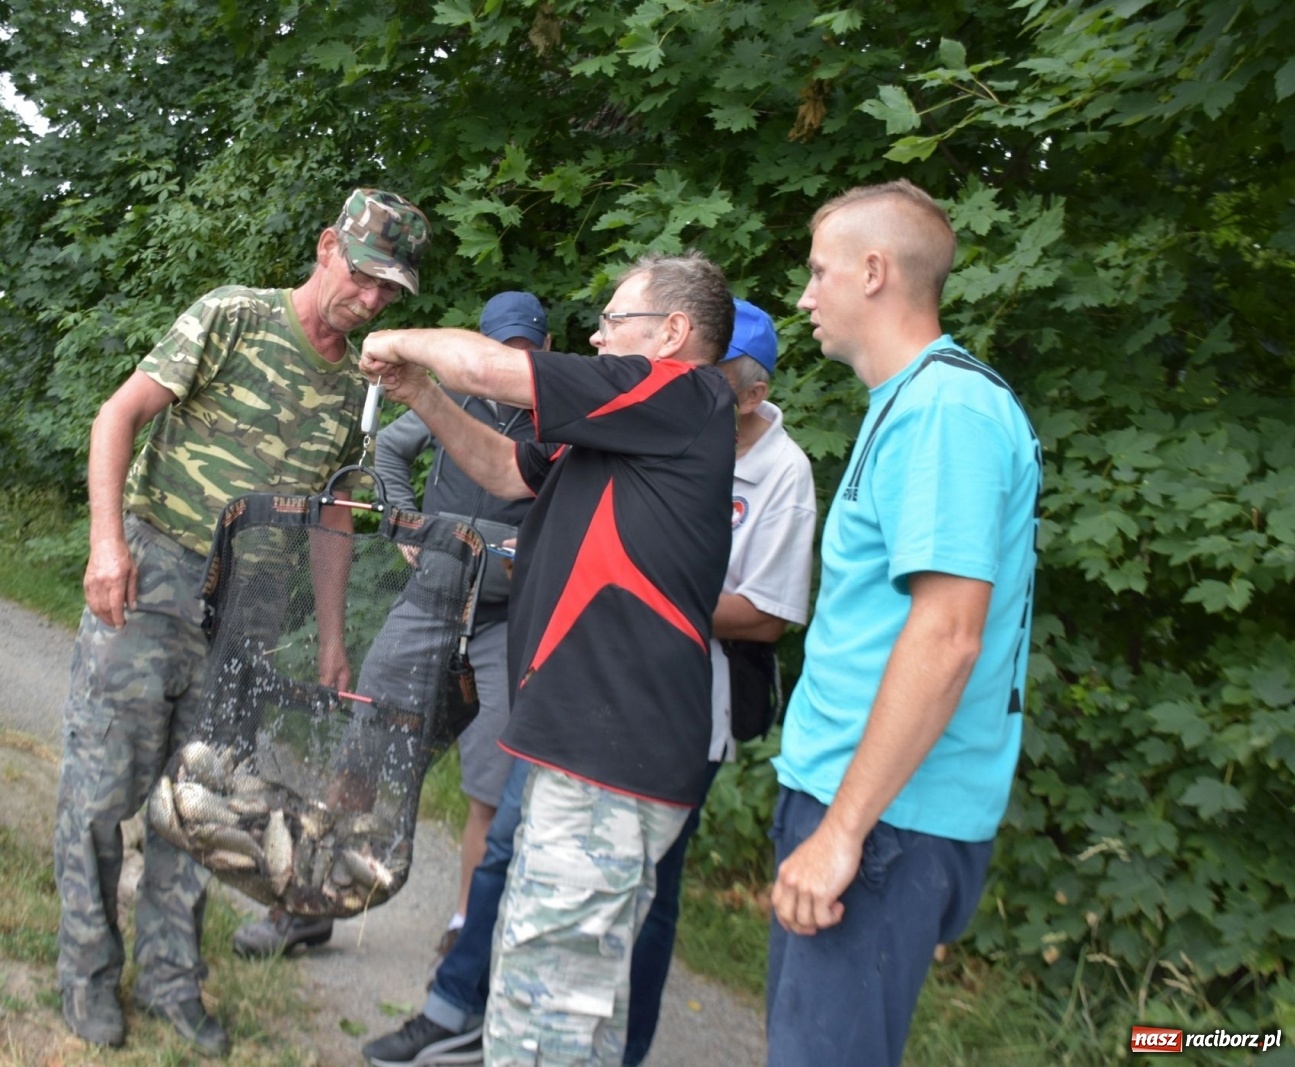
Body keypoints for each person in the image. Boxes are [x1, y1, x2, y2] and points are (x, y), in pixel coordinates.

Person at [359, 297, 818, 1067]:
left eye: (615, 314)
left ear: (672, 333)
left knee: (547, 1014)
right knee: (562, 992)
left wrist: (397, 340)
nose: (596, 333)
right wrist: (423, 396)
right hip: (576, 738)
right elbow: (507, 466)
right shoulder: (621, 427)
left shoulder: (682, 394)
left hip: (611, 751)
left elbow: (492, 367)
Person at [53, 188, 430, 1056]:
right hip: (152, 579)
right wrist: (106, 543)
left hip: (246, 619)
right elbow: (118, 416)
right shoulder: (232, 316)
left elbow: (332, 514)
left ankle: (173, 982)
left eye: (390, 294)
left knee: (201, 804)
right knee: (102, 796)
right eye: (365, 278)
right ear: (328, 245)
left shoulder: (356, 385)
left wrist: (334, 640)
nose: (371, 302)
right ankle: (85, 974)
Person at [766, 179, 1041, 1066]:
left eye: (819, 272)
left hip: (881, 820)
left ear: (874, 271)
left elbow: (950, 635)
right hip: (865, 805)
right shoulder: (910, 404)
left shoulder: (944, 412)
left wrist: (843, 831)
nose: (805, 297)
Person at [231, 291, 550, 960]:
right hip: (429, 602)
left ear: (545, 350)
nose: (513, 361)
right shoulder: (452, 403)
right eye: (501, 349)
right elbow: (389, 456)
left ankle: (467, 936)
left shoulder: (561, 423)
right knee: (359, 754)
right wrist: (404, 524)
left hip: (509, 622)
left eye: (526, 350)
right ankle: (307, 904)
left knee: (490, 786)